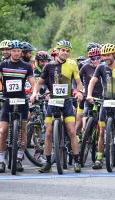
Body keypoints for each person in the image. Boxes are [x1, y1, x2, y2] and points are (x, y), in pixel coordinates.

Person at [30, 40, 84, 173]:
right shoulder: (49, 66)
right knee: (48, 133)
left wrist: (80, 92)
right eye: (63, 50)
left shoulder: (72, 65)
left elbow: (79, 83)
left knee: (72, 131)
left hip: (66, 101)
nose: (65, 53)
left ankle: (77, 161)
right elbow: (39, 83)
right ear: (57, 51)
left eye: (67, 51)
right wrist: (35, 93)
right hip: (53, 101)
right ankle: (48, 163)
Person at [0, 40, 35, 173]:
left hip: (21, 100)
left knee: (22, 130)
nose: (16, 53)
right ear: (10, 51)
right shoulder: (3, 64)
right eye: (14, 51)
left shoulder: (27, 66)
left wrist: (34, 95)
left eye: (18, 51)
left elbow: (33, 83)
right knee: (2, 131)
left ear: (21, 52)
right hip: (7, 100)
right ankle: (2, 161)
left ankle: (18, 159)